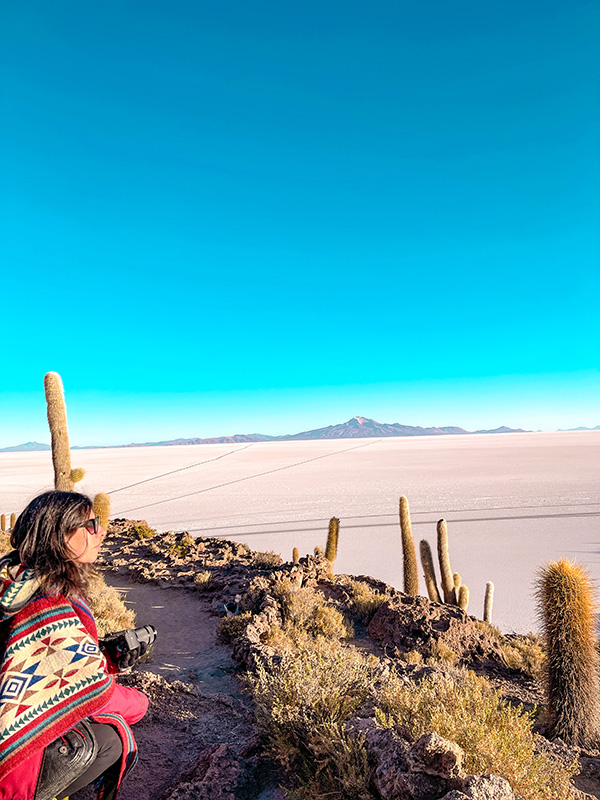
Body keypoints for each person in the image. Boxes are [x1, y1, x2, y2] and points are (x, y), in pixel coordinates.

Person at [0, 491, 149, 800]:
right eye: (91, 524)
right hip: (10, 770)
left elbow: (46, 668)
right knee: (113, 737)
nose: (102, 531)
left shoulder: (16, 580)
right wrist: (140, 702)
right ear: (60, 535)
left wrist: (104, 658)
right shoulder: (47, 606)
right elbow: (97, 697)